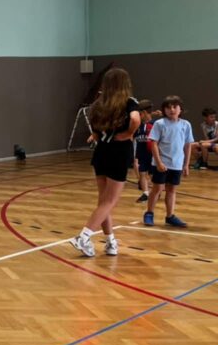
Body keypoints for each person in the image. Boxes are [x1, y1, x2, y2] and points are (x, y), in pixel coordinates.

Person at [69, 68, 140, 258]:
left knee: (103, 202)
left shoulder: (99, 104)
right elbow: (135, 119)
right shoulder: (129, 102)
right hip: (119, 153)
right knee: (109, 201)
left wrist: (97, 134)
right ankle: (83, 237)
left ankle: (110, 243)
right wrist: (128, 133)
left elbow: (94, 127)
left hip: (101, 153)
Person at [145, 95, 194, 228]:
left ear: (180, 109)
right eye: (168, 107)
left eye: (174, 107)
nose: (171, 110)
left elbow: (188, 145)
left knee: (172, 189)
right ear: (164, 110)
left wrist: (186, 164)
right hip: (161, 163)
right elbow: (154, 143)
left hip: (176, 164)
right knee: (157, 188)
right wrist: (159, 162)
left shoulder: (186, 125)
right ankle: (149, 213)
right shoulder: (160, 124)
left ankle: (170, 216)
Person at [133, 99, 154, 203]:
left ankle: (155, 191)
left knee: (152, 174)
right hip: (141, 153)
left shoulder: (155, 124)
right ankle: (145, 193)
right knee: (142, 173)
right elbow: (132, 137)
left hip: (152, 154)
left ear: (144, 113)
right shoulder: (137, 125)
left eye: (139, 114)